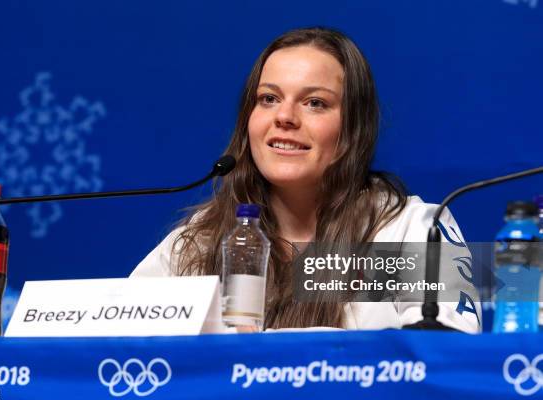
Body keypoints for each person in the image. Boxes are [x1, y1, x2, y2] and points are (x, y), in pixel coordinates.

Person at [130, 27, 480, 333]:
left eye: (314, 103)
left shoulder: (406, 232)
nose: (284, 116)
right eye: (269, 98)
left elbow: (444, 357)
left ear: (353, 129)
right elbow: (115, 344)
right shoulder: (200, 241)